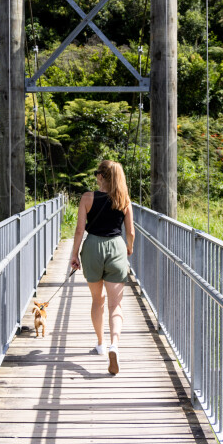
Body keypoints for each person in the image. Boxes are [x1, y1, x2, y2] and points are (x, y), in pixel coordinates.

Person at [69, 159, 135, 375]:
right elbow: (131, 233)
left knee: (98, 300)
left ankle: (101, 344)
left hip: (93, 248)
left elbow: (79, 231)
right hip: (117, 247)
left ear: (100, 176)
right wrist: (129, 248)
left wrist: (74, 254)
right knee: (116, 305)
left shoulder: (87, 197)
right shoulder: (124, 199)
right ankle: (115, 345)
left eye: (97, 172)